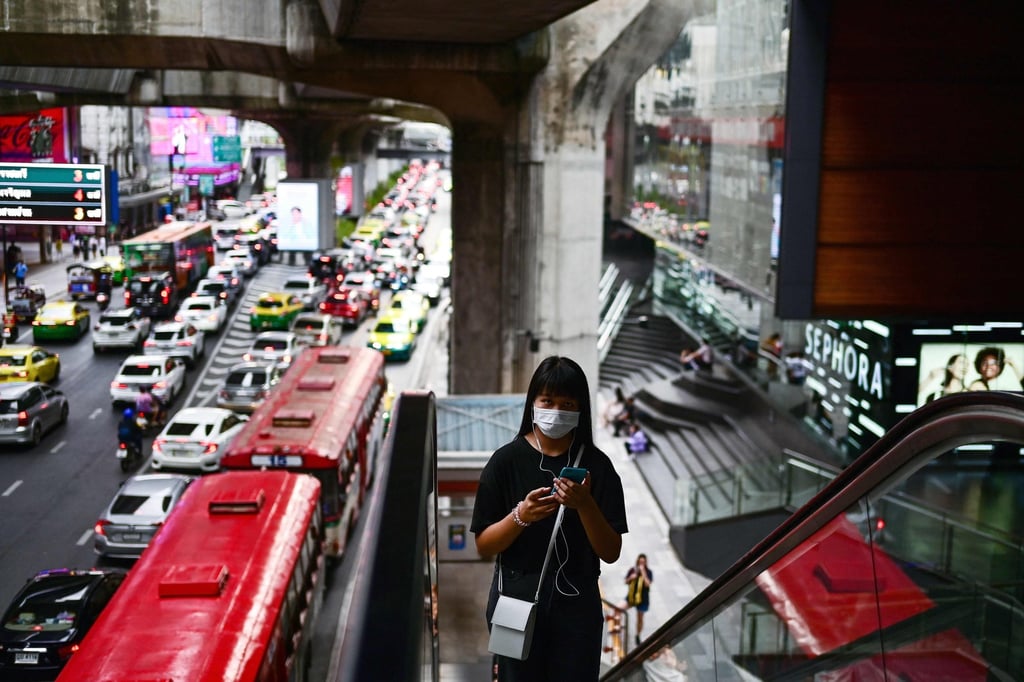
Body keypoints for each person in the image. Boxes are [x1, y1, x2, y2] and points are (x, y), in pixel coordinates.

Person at [471, 355, 627, 681]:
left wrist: (585, 505)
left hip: (578, 608)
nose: (556, 411)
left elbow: (611, 551)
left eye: (567, 403)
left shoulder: (598, 467)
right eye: (548, 401)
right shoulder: (505, 462)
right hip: (515, 597)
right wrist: (520, 516)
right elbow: (484, 545)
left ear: (581, 408)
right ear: (533, 403)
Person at [623, 553, 653, 644]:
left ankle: (638, 634)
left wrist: (643, 573)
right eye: (640, 562)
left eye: (643, 563)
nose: (641, 565)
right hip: (631, 598)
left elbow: (648, 584)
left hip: (643, 600)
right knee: (618, 608)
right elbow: (626, 581)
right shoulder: (633, 570)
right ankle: (618, 627)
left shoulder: (648, 572)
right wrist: (631, 577)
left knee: (640, 618)